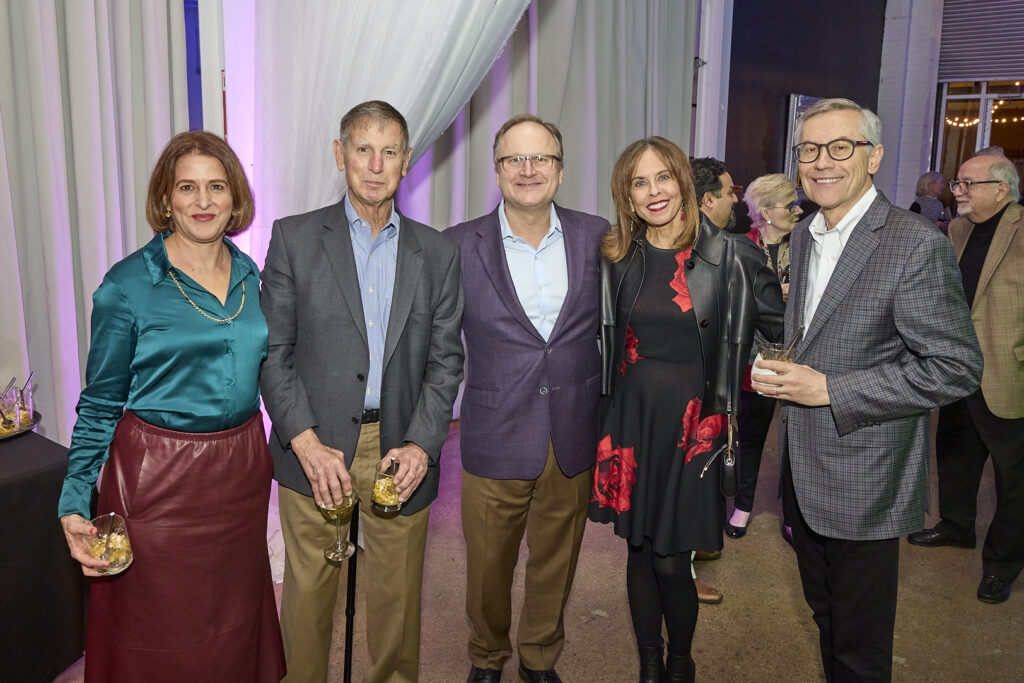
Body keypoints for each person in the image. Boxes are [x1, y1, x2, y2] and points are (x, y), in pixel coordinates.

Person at [751, 98, 983, 682]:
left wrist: (831, 389)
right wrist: (781, 367)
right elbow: (818, 334)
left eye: (840, 148)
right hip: (803, 471)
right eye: (809, 149)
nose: (822, 163)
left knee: (860, 647)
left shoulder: (912, 243)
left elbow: (956, 367)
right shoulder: (805, 235)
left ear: (874, 156)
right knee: (827, 618)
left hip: (867, 478)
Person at [57, 131, 285, 682]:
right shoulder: (127, 286)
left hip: (240, 473)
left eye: (217, 186)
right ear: (166, 199)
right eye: (188, 187)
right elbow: (100, 402)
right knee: (157, 629)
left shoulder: (254, 275)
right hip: (155, 480)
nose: (204, 201)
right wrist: (73, 501)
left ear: (235, 199)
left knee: (230, 619)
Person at [260, 100, 464, 683]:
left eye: (390, 151)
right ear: (339, 155)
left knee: (397, 604)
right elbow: (274, 355)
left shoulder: (438, 254)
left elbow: (447, 361)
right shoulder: (294, 239)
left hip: (400, 444)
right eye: (362, 149)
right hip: (314, 444)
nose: (375, 165)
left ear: (406, 162)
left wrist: (424, 444)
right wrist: (303, 441)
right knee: (307, 599)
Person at [591, 136, 784, 682]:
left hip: (695, 426)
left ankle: (681, 660)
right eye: (639, 182)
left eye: (663, 178)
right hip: (632, 422)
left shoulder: (732, 254)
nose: (654, 191)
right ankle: (649, 662)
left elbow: (784, 331)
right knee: (637, 550)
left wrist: (763, 373)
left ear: (683, 183)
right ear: (626, 196)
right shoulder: (615, 256)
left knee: (672, 559)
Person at [445, 115, 608, 683]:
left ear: (560, 171)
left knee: (556, 562)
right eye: (515, 159)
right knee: (488, 565)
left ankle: (539, 658)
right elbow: (438, 344)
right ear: (497, 171)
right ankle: (486, 655)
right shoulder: (459, 245)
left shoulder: (599, 238)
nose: (528, 169)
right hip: (493, 430)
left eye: (541, 158)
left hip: (572, 428)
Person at [908, 153, 1024, 605]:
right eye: (956, 183)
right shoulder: (956, 229)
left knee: (1014, 481)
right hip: (957, 369)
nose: (957, 192)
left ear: (1001, 189)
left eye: (968, 184)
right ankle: (957, 527)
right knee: (955, 457)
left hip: (1008, 371)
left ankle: (1002, 564)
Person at [725, 174, 802, 541]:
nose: (798, 210)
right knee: (752, 435)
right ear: (767, 212)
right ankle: (743, 505)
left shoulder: (807, 245)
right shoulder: (740, 247)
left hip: (800, 355)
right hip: (754, 356)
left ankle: (792, 514)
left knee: (796, 440)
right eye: (790, 205)